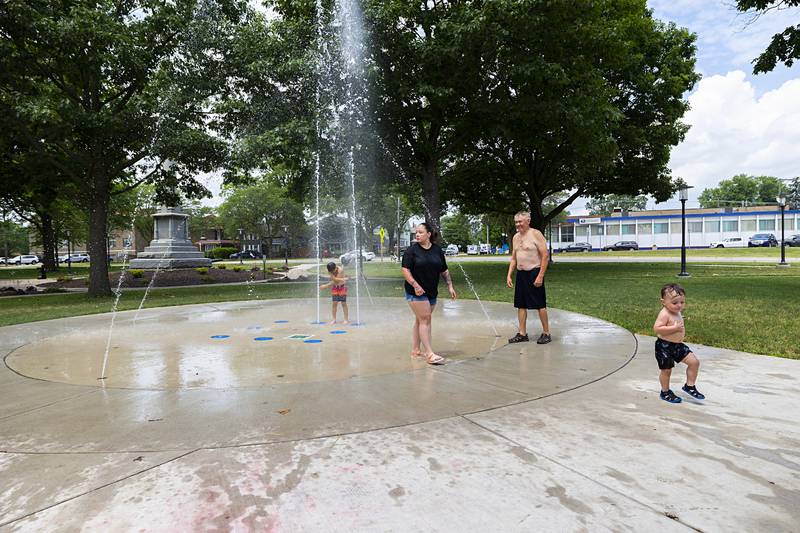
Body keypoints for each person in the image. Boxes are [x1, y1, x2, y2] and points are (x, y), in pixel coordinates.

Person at [401, 222, 457, 365]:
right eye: (416, 233)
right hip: (415, 291)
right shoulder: (411, 251)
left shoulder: (437, 250)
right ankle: (430, 354)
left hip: (432, 290)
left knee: (421, 320)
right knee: (426, 319)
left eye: (420, 232)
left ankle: (415, 350)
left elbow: (444, 270)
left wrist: (450, 285)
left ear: (429, 234)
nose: (417, 235)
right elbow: (405, 270)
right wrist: (415, 285)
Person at [653, 283, 705, 403]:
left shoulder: (676, 311)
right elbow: (657, 328)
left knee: (694, 362)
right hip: (664, 346)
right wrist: (674, 329)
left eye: (682, 302)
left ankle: (689, 386)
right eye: (675, 303)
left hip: (677, 345)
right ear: (663, 302)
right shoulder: (664, 314)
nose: (679, 305)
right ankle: (665, 391)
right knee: (666, 370)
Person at [506, 211, 551, 344]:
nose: (518, 224)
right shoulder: (515, 237)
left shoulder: (536, 234)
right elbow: (514, 258)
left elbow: (545, 256)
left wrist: (540, 276)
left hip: (534, 273)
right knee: (521, 305)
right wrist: (509, 274)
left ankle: (546, 333)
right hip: (521, 274)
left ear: (528, 221)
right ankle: (522, 334)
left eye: (520, 221)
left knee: (540, 305)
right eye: (516, 222)